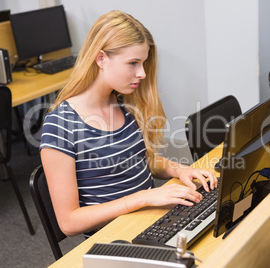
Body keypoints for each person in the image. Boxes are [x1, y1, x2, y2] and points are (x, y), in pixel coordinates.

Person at [40, 10, 217, 238]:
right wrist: (143, 197)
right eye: (133, 63)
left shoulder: (123, 103)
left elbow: (138, 160)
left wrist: (179, 169)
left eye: (142, 63)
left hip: (149, 220)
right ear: (101, 58)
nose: (142, 73)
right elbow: (69, 222)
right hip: (116, 238)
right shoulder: (61, 125)